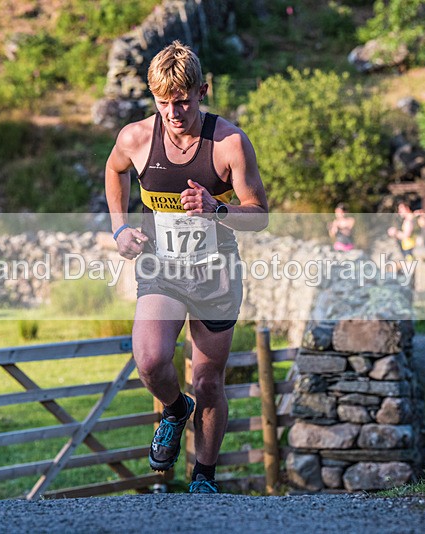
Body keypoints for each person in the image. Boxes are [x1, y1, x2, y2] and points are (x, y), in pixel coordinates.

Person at [104, 41, 268, 494]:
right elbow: (114, 170)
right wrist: (119, 229)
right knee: (152, 359)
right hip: (162, 269)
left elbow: (259, 214)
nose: (173, 113)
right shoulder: (137, 138)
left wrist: (217, 209)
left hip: (216, 275)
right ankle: (176, 411)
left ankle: (204, 479)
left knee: (208, 379)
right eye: (163, 103)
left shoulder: (229, 142)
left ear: (202, 90)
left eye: (183, 101)